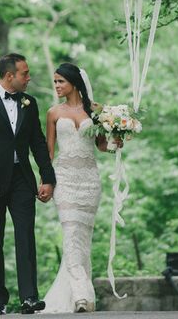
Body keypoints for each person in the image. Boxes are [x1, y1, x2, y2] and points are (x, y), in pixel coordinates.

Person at [0, 53, 56, 315]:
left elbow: (38, 142)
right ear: (9, 76)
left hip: (21, 179)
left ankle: (29, 297)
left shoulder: (30, 102)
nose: (29, 78)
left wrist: (48, 178)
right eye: (25, 74)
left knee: (25, 234)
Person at [43, 63, 119, 313]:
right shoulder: (53, 113)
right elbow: (49, 152)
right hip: (64, 179)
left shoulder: (96, 112)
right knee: (70, 234)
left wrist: (116, 143)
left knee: (82, 240)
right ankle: (82, 295)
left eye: (60, 81)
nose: (56, 86)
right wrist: (46, 181)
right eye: (54, 82)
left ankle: (76, 296)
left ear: (74, 83)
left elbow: (101, 146)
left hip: (89, 181)